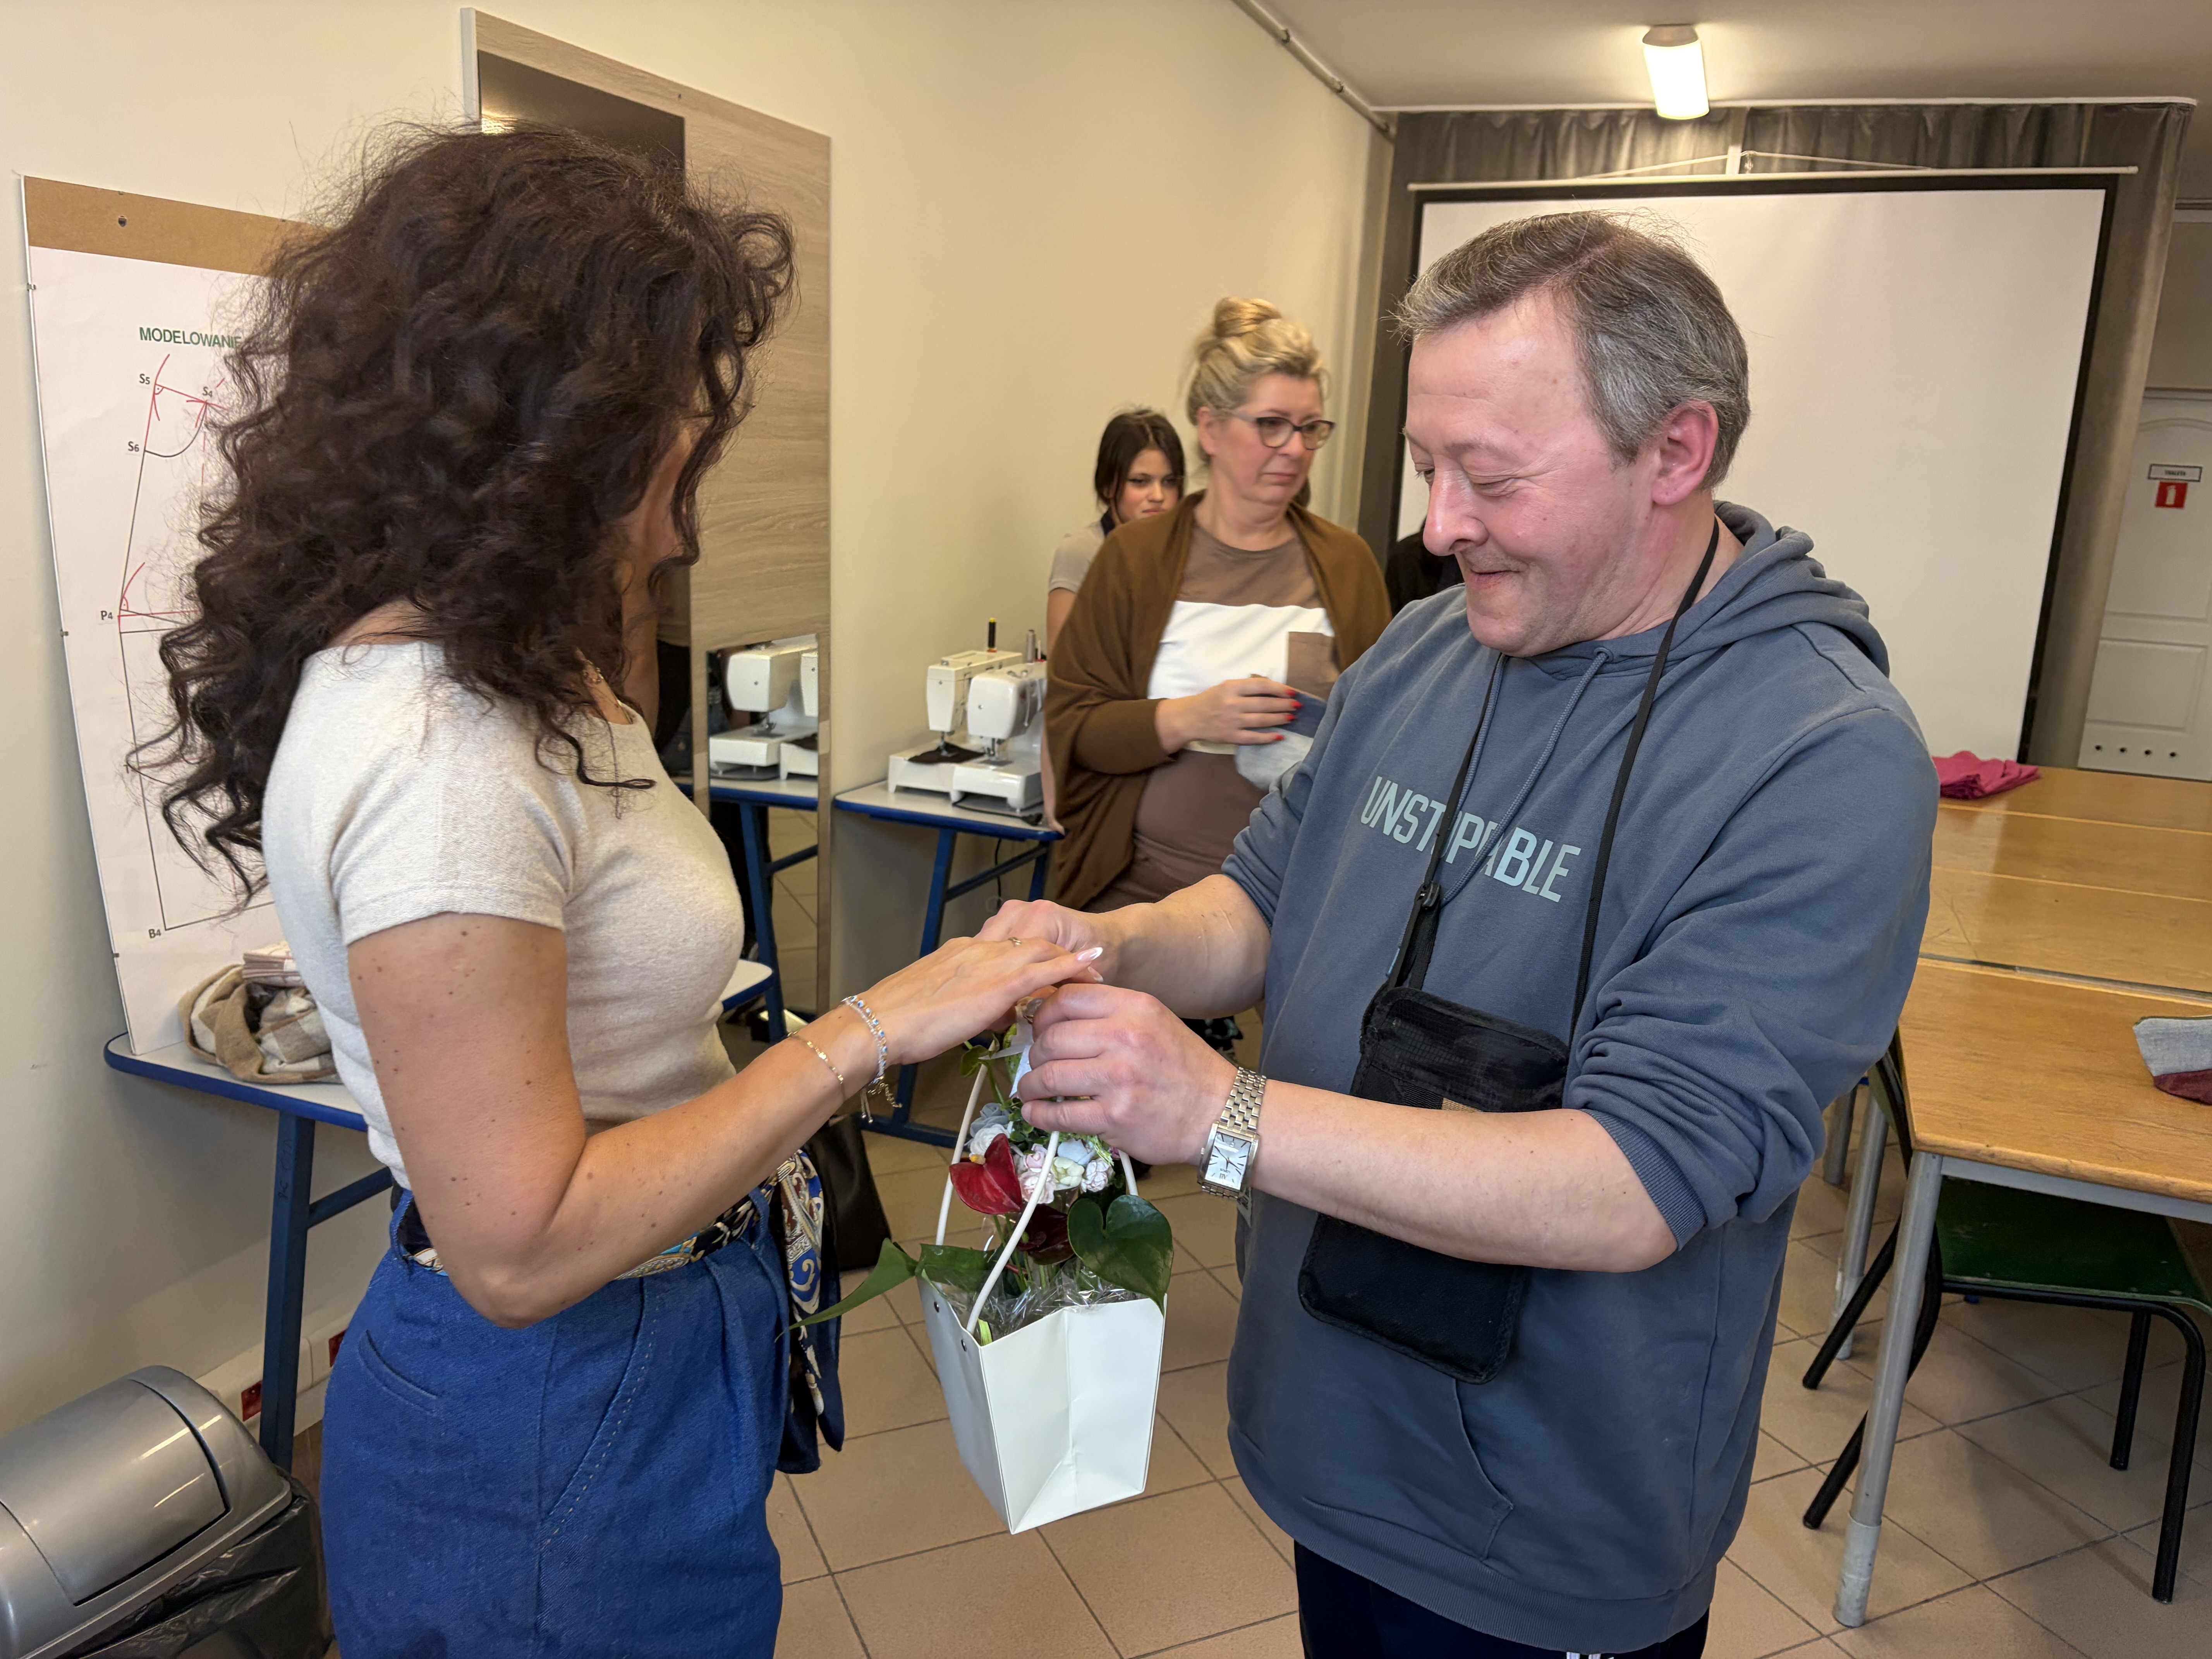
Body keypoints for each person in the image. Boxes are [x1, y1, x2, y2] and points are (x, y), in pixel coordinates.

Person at [150, 124, 1094, 1658]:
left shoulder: (517, 662)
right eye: (667, 424)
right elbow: (521, 1246)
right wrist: (868, 1028)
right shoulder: (440, 755)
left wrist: (620, 571)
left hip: (645, 1355)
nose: (691, 470)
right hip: (553, 1407)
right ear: (545, 429)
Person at [982, 212, 1934, 1657]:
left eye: (1488, 476)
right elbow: (1261, 904)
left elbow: (1633, 1181)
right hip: (1327, 1440)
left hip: (1536, 1524)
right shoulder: (1433, 648)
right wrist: (1102, 948)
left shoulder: (1818, 753)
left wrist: (1216, 1111)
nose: (1437, 526)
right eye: (1427, 467)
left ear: (1675, 451)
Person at [1048, 297, 1389, 931]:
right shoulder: (1134, 559)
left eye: (1310, 428)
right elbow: (1076, 727)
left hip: (1290, 902)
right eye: (1271, 425)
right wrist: (1191, 717)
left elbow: (1382, 740)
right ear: (1210, 429)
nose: (1294, 449)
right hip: (1140, 888)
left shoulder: (1347, 566)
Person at [1044, 408, 1186, 653]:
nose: (1158, 496)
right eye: (1140, 482)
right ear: (1108, 486)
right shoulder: (1083, 551)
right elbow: (1062, 661)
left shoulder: (1188, 552)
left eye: (1169, 482)